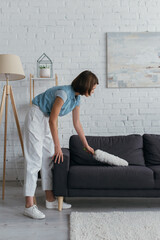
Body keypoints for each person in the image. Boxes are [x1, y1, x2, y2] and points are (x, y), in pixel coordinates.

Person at [23, 70, 99, 219]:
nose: (94, 90)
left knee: (49, 159)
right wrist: (58, 146)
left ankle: (50, 200)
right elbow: (53, 120)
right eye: (93, 87)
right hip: (36, 116)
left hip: (45, 120)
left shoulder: (77, 99)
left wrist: (86, 145)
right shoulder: (63, 94)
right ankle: (29, 205)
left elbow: (77, 123)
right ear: (86, 85)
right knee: (34, 159)